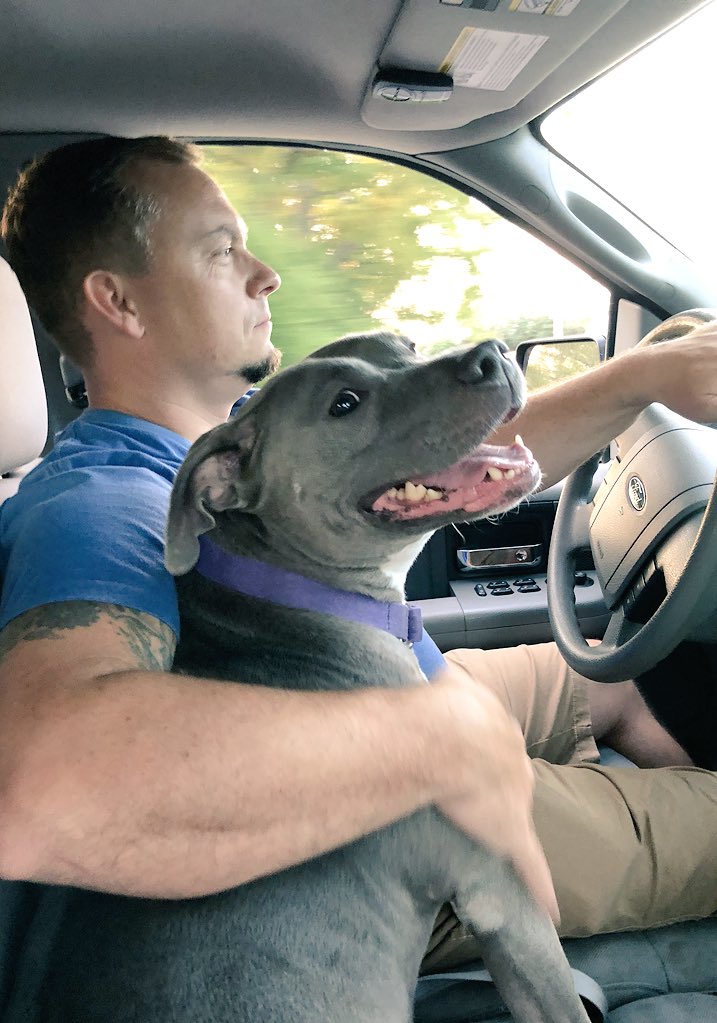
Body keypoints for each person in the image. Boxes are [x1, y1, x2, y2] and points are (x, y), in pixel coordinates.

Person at [0, 136, 714, 982]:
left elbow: (448, 458)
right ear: (117, 299)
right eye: (222, 250)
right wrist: (439, 739)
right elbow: (46, 786)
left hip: (389, 693)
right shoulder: (102, 502)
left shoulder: (235, 429)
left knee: (618, 679)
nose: (264, 273)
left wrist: (639, 377)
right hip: (375, 821)